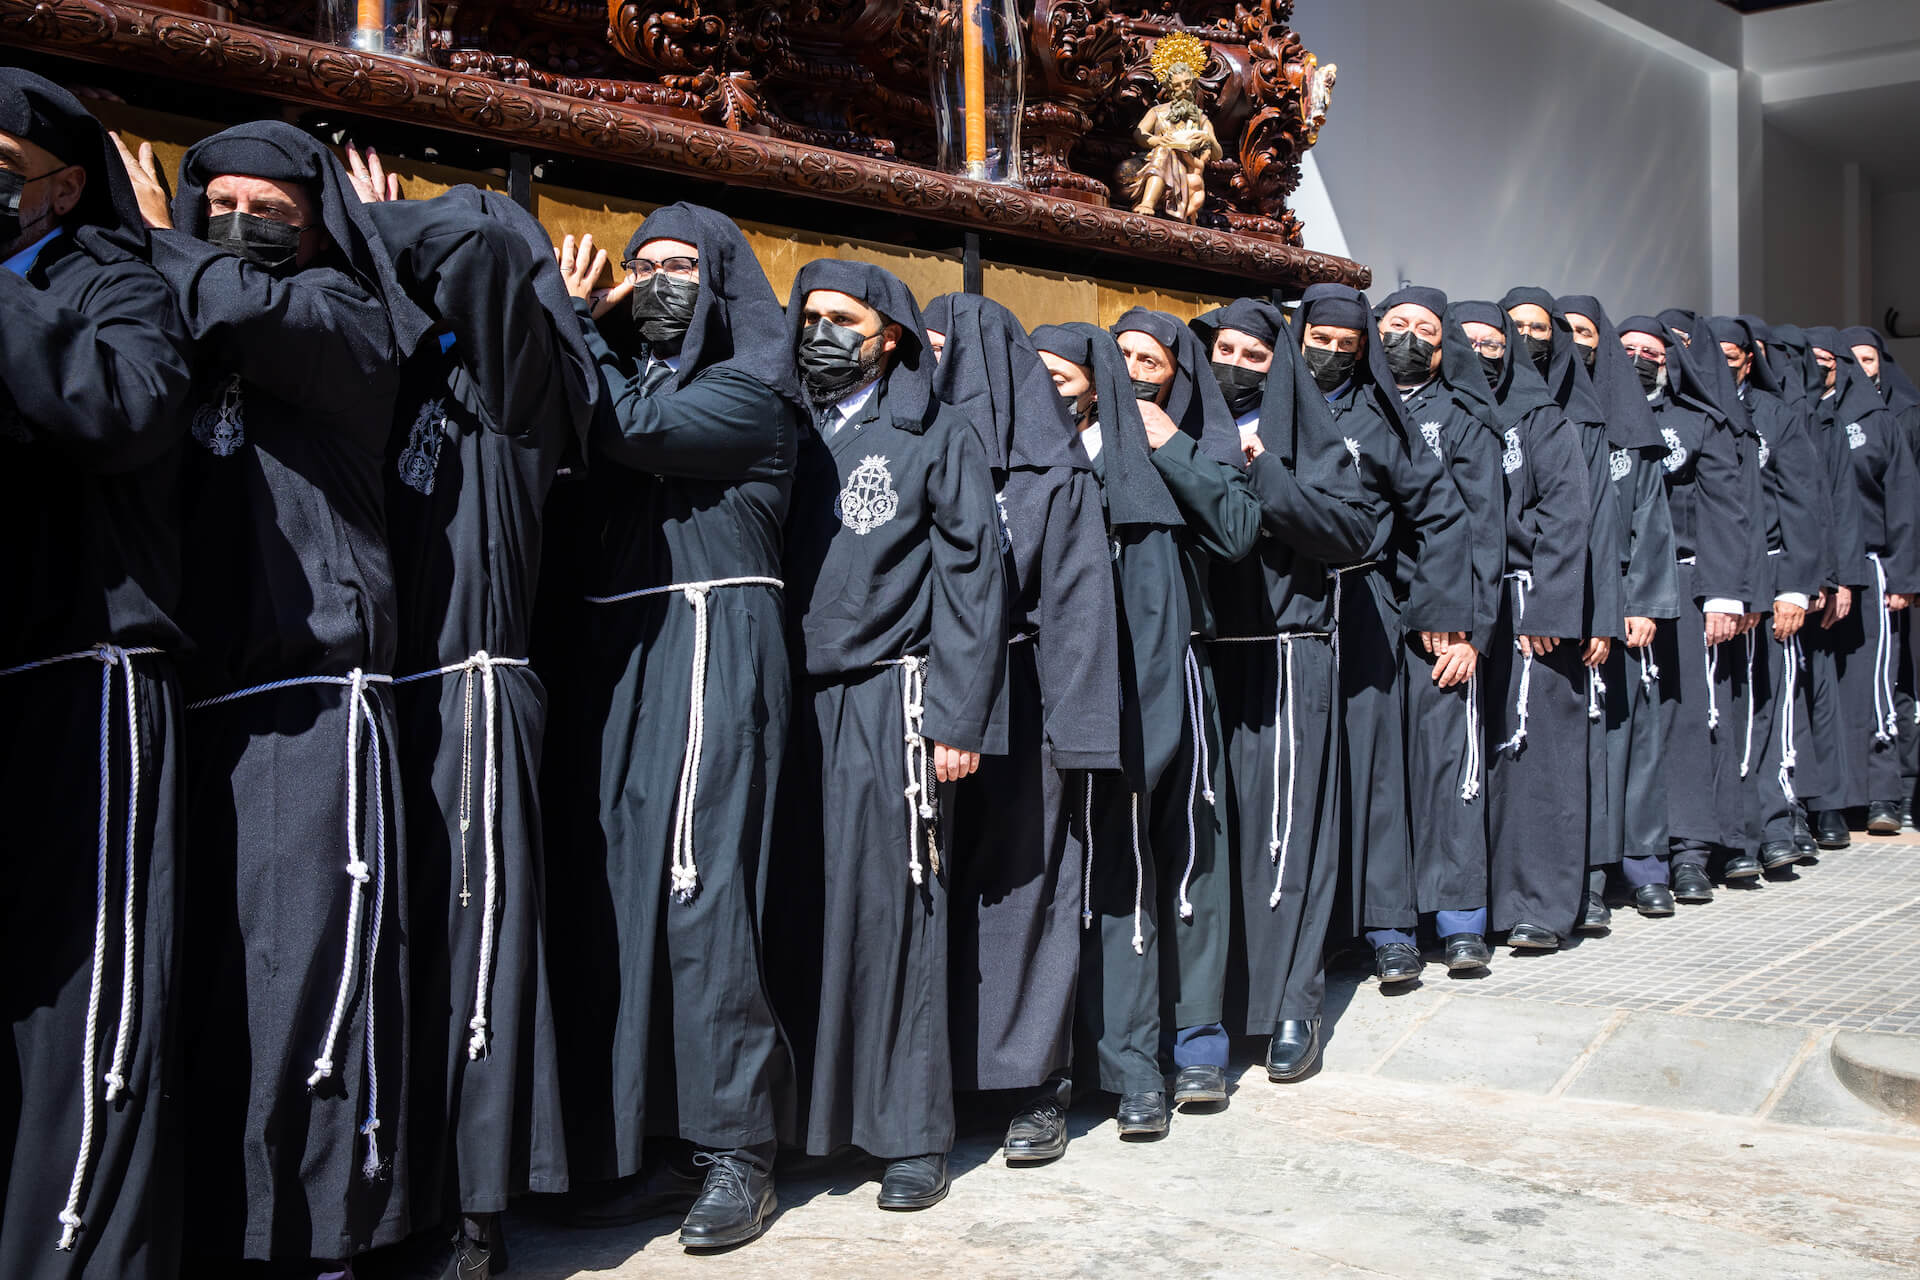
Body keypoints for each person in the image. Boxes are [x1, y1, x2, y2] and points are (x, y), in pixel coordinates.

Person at [143, 120, 432, 1269]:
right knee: (218, 979)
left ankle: (323, 1237)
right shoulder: (185, 321)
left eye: (270, 209)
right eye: (218, 205)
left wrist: (148, 228)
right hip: (202, 688)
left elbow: (248, 309)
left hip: (315, 684)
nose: (240, 227)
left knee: (312, 973)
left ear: (317, 223)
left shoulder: (342, 320)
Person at [541, 203, 802, 1249]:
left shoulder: (749, 391)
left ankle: (740, 1148)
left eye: (681, 266)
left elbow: (630, 432)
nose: (656, 281)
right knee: (626, 900)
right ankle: (653, 1142)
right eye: (642, 265)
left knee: (706, 897)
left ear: (723, 282)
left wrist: (571, 321)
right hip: (631, 657)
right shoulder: (636, 374)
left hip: (715, 649)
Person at [364, 184, 597, 1276]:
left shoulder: (520, 376)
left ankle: (480, 1212)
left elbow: (473, 247)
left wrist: (375, 221)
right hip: (391, 694)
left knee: (480, 948)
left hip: (475, 692)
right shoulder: (422, 367)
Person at [0, 68, 195, 1280]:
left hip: (88, 667)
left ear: (65, 186)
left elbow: (122, 403)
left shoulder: (113, 283)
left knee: (90, 1005)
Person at [769, 260, 1007, 1211]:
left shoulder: (933, 433)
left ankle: (910, 1135)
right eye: (810, 316)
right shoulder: (781, 424)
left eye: (843, 319)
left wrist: (956, 714)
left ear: (892, 336)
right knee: (800, 910)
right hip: (789, 700)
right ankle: (810, 1126)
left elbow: (973, 581)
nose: (820, 332)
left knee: (896, 909)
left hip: (891, 700)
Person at [923, 294, 1120, 1167]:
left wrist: (1077, 739)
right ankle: (950, 1077)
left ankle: (1035, 1084)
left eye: (943, 351)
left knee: (1022, 894)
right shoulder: (920, 448)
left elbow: (1078, 614)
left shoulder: (1051, 475)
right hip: (926, 704)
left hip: (1027, 704)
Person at [1193, 296, 1377, 1079]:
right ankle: (1225, 1007)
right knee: (1217, 844)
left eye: (1255, 357)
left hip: (1286, 652)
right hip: (1207, 656)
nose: (1234, 367)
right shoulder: (1184, 428)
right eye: (1222, 352)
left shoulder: (1309, 440)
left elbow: (1350, 533)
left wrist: (1264, 465)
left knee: (1288, 839)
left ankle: (1293, 1007)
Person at [1030, 322, 1189, 1140]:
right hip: (1035, 717)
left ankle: (1133, 1071)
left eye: (1068, 376)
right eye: (1040, 374)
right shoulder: (1016, 463)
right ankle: (1041, 1080)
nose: (1054, 388)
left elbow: (1157, 629)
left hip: (1116, 717)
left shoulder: (1130, 474)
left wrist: (1144, 737)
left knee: (1120, 888)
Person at [1107, 307, 1261, 1116]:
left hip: (1186, 668)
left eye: (1152, 360)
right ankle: (1124, 1054)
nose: (1136, 370)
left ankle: (1199, 1041)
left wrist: (1168, 443)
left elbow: (1238, 532)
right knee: (1119, 866)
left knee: (1195, 850)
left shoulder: (1198, 442)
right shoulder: (1081, 438)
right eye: (1122, 355)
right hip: (1101, 678)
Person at [1331, 286, 1476, 979]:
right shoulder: (1309, 403)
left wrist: (1446, 616)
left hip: (1390, 610)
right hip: (1299, 617)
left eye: (1426, 329)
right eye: (1397, 326)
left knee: (1401, 771)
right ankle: (1342, 925)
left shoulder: (1402, 421)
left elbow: (1450, 519)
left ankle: (1414, 922)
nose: (1409, 340)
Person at [1451, 301, 1592, 950]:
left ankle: (1539, 904)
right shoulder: (1437, 414)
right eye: (1467, 341)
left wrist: (1552, 608)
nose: (1480, 352)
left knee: (1532, 756)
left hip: (1526, 602)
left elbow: (1567, 516)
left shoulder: (1539, 419)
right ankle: (1467, 906)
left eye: (1493, 343)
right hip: (1455, 610)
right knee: (1469, 759)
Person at [1617, 315, 1766, 901]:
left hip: (1684, 585)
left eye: (1651, 351)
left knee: (1686, 722)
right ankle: (1629, 853)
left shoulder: (1699, 422)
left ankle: (1690, 849)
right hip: (1616, 589)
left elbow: (1728, 513)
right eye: (1626, 348)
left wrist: (1724, 594)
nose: (1638, 359)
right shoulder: (1596, 420)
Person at [1503, 287, 1625, 932]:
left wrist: (1596, 613)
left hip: (1560, 606)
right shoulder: (1480, 407)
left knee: (1556, 755)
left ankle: (1570, 892)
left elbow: (1596, 524)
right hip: (1496, 608)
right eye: (1513, 325)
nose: (1528, 337)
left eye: (1539, 328)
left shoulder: (1579, 416)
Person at [1560, 295, 1681, 913]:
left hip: (1623, 598)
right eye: (1566, 332)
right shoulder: (1539, 414)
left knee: (1629, 736)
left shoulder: (1625, 423)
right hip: (1556, 600)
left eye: (1586, 332)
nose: (1575, 342)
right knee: (1572, 744)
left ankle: (1642, 862)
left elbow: (1650, 522)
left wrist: (1640, 602)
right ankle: (1583, 874)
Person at [1706, 316, 1824, 873]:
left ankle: (1776, 823)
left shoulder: (1775, 416)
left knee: (1766, 708)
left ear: (1750, 361)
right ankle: (1729, 835)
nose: (1725, 363)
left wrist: (1795, 589)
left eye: (1734, 354)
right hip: (1715, 588)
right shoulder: (1699, 417)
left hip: (1771, 578)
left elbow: (1801, 505)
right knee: (1720, 716)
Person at [1800, 328, 1920, 842]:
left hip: (1872, 570)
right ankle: (1835, 796)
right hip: (1817, 575)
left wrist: (1903, 574)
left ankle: (1882, 794)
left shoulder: (1877, 420)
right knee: (1822, 690)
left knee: (1872, 687)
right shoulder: (1800, 414)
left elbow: (1903, 500)